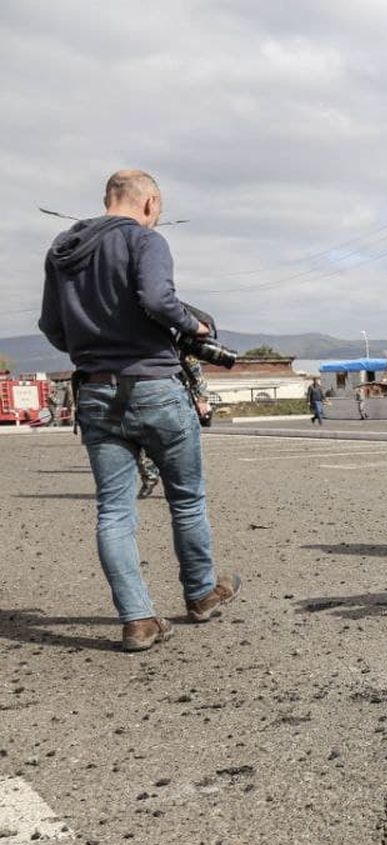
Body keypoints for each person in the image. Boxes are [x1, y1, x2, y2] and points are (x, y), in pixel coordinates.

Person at [38, 169, 241, 652]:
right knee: (187, 499)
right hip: (154, 385)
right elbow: (156, 298)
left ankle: (137, 620)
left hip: (95, 391)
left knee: (114, 511)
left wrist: (88, 351)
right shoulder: (144, 241)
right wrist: (193, 325)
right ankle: (201, 594)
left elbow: (50, 324)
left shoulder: (62, 249)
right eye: (160, 209)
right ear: (149, 202)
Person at [137, 350, 210, 498]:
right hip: (148, 401)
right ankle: (150, 477)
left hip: (178, 402)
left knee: (180, 447)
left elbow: (197, 376)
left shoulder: (180, 351)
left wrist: (201, 399)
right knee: (143, 445)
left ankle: (184, 487)